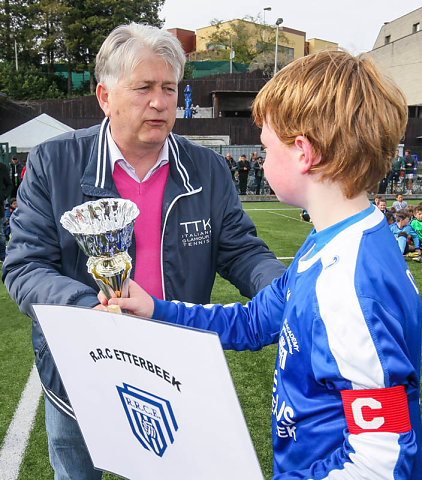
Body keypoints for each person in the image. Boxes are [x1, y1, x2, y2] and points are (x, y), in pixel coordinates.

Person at [101, 50, 422, 479]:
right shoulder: (332, 243)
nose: (264, 159)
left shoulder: (346, 286)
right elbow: (255, 321)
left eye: (268, 147)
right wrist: (157, 310)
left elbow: (383, 457)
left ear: (304, 154)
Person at [2, 23, 285, 480]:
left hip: (173, 370)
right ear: (104, 96)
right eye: (144, 87)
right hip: (80, 374)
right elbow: (24, 266)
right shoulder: (53, 163)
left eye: (169, 88)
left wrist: (289, 288)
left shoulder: (207, 168)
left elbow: (242, 251)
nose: (160, 101)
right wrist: (88, 310)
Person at [0, 161, 12, 263]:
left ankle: (2, 256)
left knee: (0, 233)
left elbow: (9, 185)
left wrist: (2, 196)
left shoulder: (2, 167)